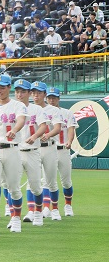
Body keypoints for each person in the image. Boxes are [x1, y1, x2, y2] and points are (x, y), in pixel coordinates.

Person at [0, 74, 27, 233]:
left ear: (9, 88)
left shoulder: (18, 105)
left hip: (12, 148)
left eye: (2, 87)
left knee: (13, 187)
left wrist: (14, 129)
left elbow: (20, 120)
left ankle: (16, 218)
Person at [13, 79, 49, 226]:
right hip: (15, 150)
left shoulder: (37, 109)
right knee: (12, 185)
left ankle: (38, 212)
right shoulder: (11, 108)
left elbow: (43, 126)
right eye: (17, 91)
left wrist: (34, 137)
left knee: (35, 185)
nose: (19, 94)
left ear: (29, 93)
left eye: (23, 91)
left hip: (32, 151)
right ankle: (15, 217)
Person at [30, 81, 62, 225]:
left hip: (48, 146)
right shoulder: (27, 109)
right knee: (34, 180)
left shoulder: (53, 110)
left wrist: (47, 135)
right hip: (34, 148)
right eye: (33, 92)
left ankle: (54, 208)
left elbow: (57, 128)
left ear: (44, 94)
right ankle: (32, 210)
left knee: (50, 180)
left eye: (39, 92)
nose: (36, 95)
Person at [45, 87, 76, 218]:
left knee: (66, 181)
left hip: (63, 149)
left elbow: (71, 128)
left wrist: (69, 141)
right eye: (50, 98)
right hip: (48, 149)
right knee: (47, 180)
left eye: (54, 98)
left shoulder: (67, 113)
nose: (51, 100)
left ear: (59, 99)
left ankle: (68, 205)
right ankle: (48, 207)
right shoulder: (42, 112)